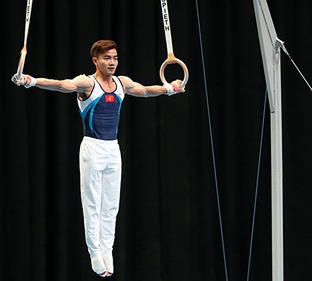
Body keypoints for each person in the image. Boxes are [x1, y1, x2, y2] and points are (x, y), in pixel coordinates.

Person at [12, 39, 185, 277]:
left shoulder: (122, 83)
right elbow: (61, 85)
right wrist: (30, 81)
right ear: (96, 60)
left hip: (113, 149)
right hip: (92, 148)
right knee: (93, 203)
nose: (112, 62)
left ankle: (107, 249)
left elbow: (145, 90)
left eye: (115, 58)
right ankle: (94, 251)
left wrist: (170, 88)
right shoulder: (87, 83)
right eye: (107, 58)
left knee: (111, 205)